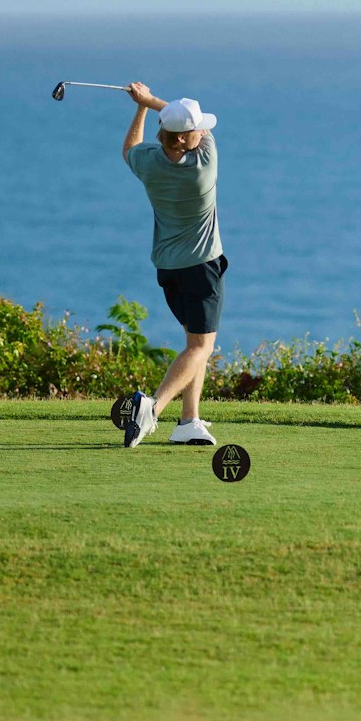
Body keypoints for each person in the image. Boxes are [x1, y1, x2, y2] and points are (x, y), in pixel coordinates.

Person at [111, 82, 225, 448]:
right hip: (202, 268)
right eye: (196, 129)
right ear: (190, 137)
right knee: (200, 348)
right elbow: (196, 129)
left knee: (194, 342)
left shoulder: (148, 162)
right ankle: (153, 409)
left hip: (167, 269)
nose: (202, 132)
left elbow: (129, 147)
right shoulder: (203, 164)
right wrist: (151, 100)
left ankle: (189, 420)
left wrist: (141, 107)